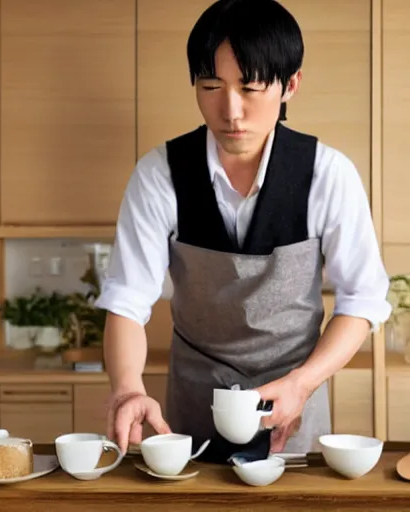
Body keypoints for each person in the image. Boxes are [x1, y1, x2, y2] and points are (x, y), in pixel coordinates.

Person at [95, 0, 391, 462]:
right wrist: (127, 389)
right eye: (211, 85)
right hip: (192, 408)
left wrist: (303, 382)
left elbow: (363, 300)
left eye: (250, 87)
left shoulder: (327, 174)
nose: (230, 110)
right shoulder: (160, 175)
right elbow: (127, 300)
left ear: (290, 84)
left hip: (294, 401)